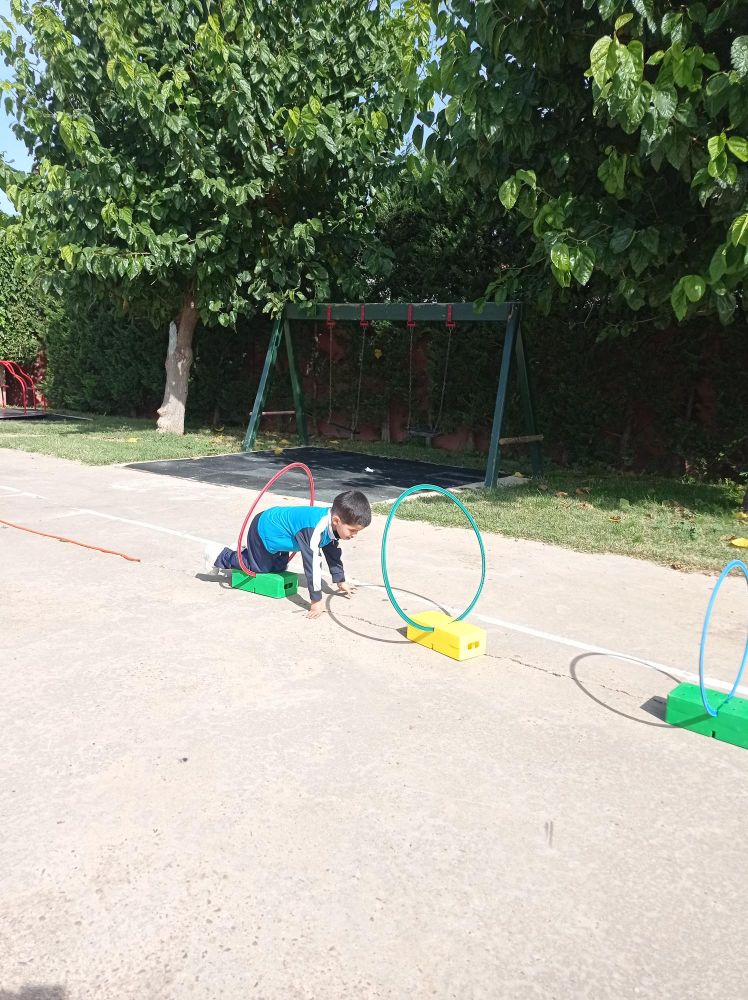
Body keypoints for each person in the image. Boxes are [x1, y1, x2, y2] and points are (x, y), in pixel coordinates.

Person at [203, 489, 371, 619]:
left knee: (279, 567)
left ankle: (249, 552)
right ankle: (221, 555)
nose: (354, 535)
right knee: (260, 568)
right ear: (336, 521)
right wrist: (316, 601)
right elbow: (312, 564)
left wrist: (340, 580)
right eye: (352, 530)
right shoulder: (315, 528)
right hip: (264, 529)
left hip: (281, 535)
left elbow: (332, 551)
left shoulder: (333, 523)